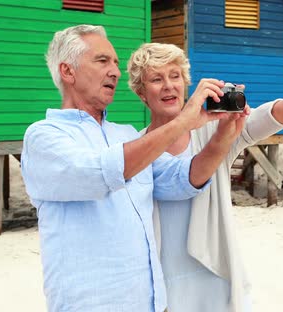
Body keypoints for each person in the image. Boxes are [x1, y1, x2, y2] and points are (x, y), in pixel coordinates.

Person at [21, 25, 245, 312]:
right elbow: (102, 173)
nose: (115, 71)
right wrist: (184, 121)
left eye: (115, 63)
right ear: (68, 71)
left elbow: (182, 179)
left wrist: (223, 135)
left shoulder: (125, 135)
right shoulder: (45, 137)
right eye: (102, 61)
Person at [126, 42, 283, 312]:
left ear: (186, 83)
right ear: (141, 92)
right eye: (156, 79)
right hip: (164, 283)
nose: (168, 86)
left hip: (216, 274)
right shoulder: (135, 150)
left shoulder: (214, 133)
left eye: (175, 76)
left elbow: (264, 119)